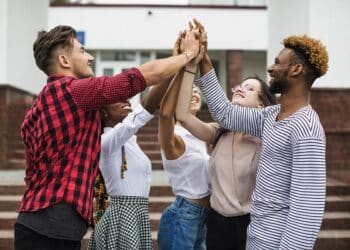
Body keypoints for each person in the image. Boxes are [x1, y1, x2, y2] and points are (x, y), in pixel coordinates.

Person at [15, 24, 200, 250]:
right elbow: (138, 78)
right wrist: (188, 55)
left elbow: (145, 107)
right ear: (65, 61)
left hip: (33, 220)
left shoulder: (37, 109)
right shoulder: (75, 91)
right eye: (82, 51)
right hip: (54, 225)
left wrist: (175, 61)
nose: (90, 57)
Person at [197, 31, 328, 249]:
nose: (270, 69)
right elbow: (225, 114)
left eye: (278, 63)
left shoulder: (307, 129)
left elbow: (307, 210)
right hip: (255, 237)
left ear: (296, 69)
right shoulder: (271, 115)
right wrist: (203, 58)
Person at [176, 53, 276, 249]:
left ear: (261, 104)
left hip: (250, 225)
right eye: (240, 86)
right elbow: (182, 115)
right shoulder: (219, 132)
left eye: (250, 88)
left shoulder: (267, 138)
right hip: (216, 224)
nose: (241, 89)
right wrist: (190, 67)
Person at [87, 73, 172, 249]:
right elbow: (144, 111)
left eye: (125, 97)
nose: (126, 100)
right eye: (117, 99)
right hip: (123, 217)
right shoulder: (106, 141)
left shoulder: (129, 140)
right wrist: (171, 71)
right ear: (103, 112)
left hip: (137, 213)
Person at [157, 38, 210, 249]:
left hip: (203, 217)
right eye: (189, 92)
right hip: (183, 217)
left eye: (196, 92)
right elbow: (164, 115)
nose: (194, 94)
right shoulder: (175, 136)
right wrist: (181, 62)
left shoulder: (200, 134)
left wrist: (200, 56)